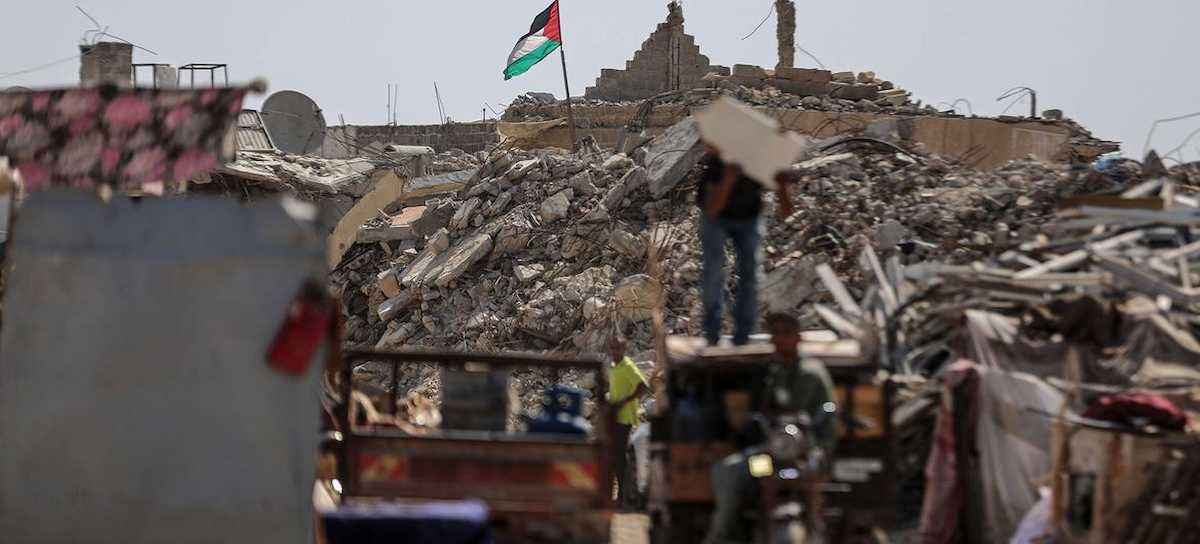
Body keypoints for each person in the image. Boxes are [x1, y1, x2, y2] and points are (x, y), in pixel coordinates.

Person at [705, 313, 836, 544]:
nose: (779, 339)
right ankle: (724, 532)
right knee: (727, 471)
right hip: (771, 455)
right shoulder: (769, 373)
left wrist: (822, 446)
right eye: (775, 333)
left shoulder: (814, 373)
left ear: (798, 337)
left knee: (817, 481)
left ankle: (818, 530)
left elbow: (829, 413)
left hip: (806, 455)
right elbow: (760, 411)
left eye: (786, 333)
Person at [697, 146, 796, 346]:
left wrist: (782, 185)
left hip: (749, 217)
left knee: (750, 273)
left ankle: (744, 333)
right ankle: (712, 331)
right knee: (713, 270)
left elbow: (787, 212)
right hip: (715, 215)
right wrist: (728, 181)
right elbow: (712, 208)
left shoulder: (760, 165)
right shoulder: (719, 165)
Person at [605, 334, 649, 505]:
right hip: (614, 417)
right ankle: (619, 493)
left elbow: (643, 386)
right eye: (613, 347)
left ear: (624, 349)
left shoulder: (628, 366)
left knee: (620, 456)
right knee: (614, 455)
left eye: (618, 348)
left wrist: (625, 402)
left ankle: (623, 495)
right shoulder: (613, 366)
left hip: (625, 418)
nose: (615, 351)